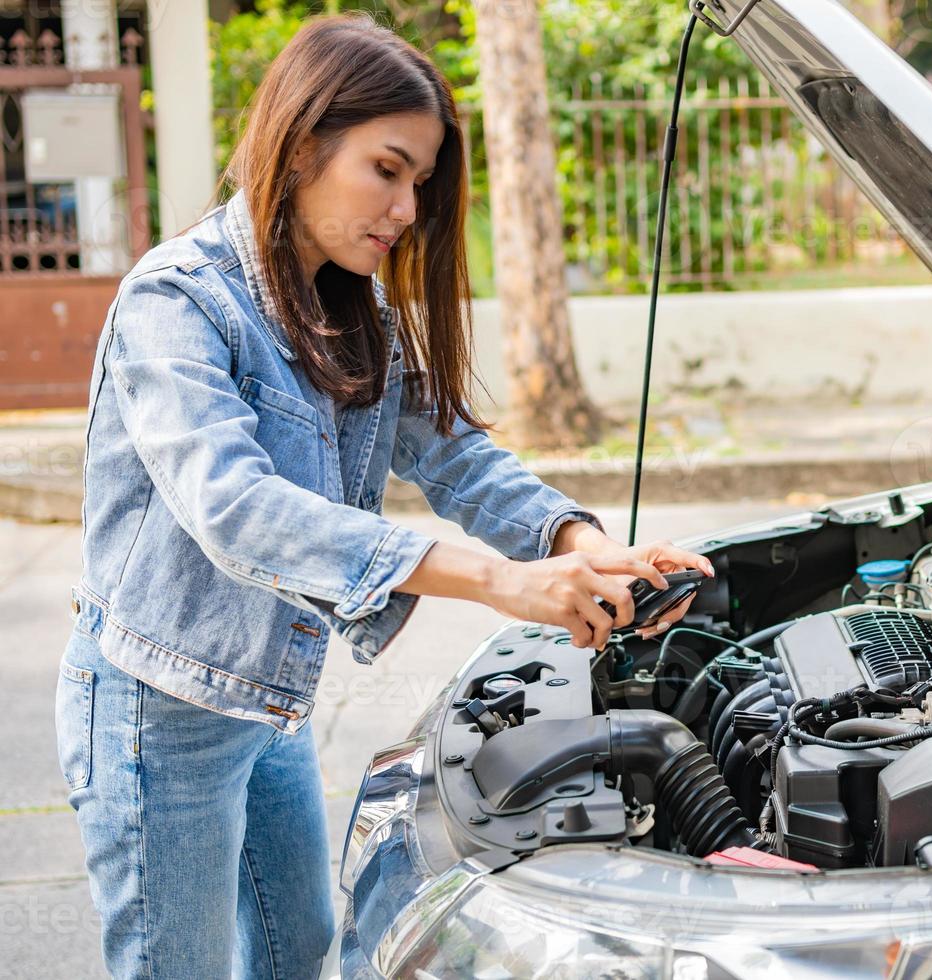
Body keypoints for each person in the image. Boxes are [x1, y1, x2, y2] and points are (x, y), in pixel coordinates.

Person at [53, 14, 711, 978]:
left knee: (299, 953)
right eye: (387, 169)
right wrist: (498, 582)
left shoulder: (350, 311)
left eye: (422, 183)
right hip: (158, 710)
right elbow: (236, 505)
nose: (407, 208)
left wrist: (581, 541)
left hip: (263, 704)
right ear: (303, 141)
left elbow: (456, 456)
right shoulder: (179, 300)